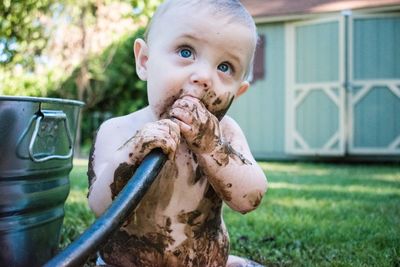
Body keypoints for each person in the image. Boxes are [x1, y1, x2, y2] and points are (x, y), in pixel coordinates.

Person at [87, 0, 268, 266]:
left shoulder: (225, 133)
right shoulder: (118, 130)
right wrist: (133, 151)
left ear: (237, 93)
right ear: (145, 61)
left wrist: (211, 146)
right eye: (186, 52)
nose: (204, 76)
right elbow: (100, 206)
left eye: (225, 67)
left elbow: (249, 198)